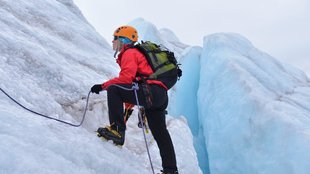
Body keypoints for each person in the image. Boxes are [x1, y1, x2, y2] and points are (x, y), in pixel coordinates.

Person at [91, 25, 178, 174]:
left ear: (123, 40)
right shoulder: (138, 54)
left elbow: (125, 79)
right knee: (161, 134)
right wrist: (127, 109)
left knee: (113, 89)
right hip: (160, 96)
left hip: (150, 92)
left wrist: (102, 86)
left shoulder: (130, 53)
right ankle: (171, 170)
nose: (112, 41)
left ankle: (117, 131)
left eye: (115, 38)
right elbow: (133, 88)